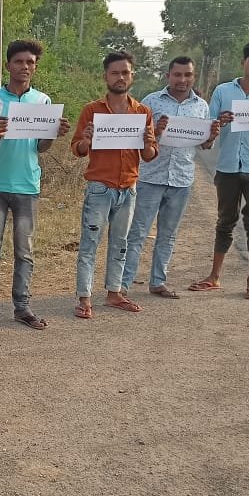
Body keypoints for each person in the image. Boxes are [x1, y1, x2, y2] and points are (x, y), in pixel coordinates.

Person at [0, 39, 70, 330]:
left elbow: (41, 147)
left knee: (24, 251)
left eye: (30, 63)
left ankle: (22, 307)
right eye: (19, 61)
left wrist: (54, 133)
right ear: (8, 65)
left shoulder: (43, 101)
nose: (25, 67)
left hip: (28, 185)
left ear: (35, 68)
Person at [188, 38, 249, 300]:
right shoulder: (223, 91)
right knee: (225, 221)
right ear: (243, 62)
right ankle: (214, 276)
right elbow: (208, 129)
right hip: (228, 166)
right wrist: (219, 122)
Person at [121, 57, 220, 299]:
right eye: (177, 75)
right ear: (168, 76)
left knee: (168, 234)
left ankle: (158, 281)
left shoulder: (201, 107)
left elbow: (204, 145)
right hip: (150, 176)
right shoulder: (151, 102)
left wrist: (211, 136)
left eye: (187, 75)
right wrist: (157, 131)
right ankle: (122, 285)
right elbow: (135, 139)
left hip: (182, 179)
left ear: (193, 77)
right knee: (138, 232)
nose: (182, 80)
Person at [70, 50, 158, 319]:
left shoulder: (142, 112)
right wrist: (86, 140)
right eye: (115, 73)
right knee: (90, 244)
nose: (120, 77)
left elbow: (149, 155)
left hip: (128, 187)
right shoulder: (92, 110)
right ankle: (84, 298)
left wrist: (148, 142)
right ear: (105, 77)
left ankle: (114, 293)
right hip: (100, 187)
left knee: (121, 243)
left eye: (125, 72)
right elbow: (78, 149)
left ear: (132, 76)